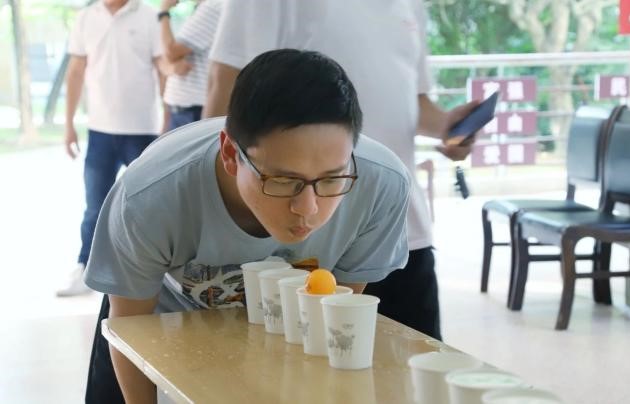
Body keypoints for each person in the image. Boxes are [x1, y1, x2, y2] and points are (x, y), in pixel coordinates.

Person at [84, 49, 411, 403]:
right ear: (230, 154)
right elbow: (130, 327)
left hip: (285, 329)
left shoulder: (381, 186)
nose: (308, 209)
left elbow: (330, 317)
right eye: (283, 181)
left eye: (331, 179)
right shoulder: (148, 196)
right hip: (160, 317)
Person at [204, 0, 478, 340]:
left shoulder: (411, 5)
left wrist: (449, 127)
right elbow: (225, 82)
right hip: (310, 234)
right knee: (299, 359)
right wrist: (215, 204)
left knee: (414, 363)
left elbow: (414, 102)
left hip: (403, 227)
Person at [57, 0, 166, 297]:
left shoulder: (149, 16)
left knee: (152, 206)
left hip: (142, 130)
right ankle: (85, 269)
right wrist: (69, 124)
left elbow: (162, 71)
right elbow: (75, 71)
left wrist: (167, 119)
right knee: (95, 206)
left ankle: (159, 274)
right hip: (100, 131)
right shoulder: (85, 18)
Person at [159, 0, 223, 131]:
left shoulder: (212, 7)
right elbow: (165, 60)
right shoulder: (201, 9)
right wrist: (172, 66)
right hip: (185, 109)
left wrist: (163, 12)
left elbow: (171, 51)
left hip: (192, 111)